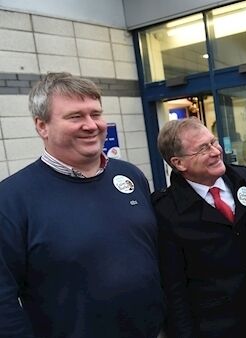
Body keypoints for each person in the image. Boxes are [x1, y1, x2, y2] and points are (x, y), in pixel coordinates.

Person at [0, 72, 164, 337]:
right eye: (75, 116)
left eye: (95, 114)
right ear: (42, 126)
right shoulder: (11, 199)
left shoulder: (130, 176)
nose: (91, 125)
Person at [152, 118, 246, 338]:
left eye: (213, 142)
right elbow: (175, 289)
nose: (215, 152)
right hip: (216, 326)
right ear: (178, 163)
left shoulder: (243, 178)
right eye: (203, 148)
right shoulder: (166, 211)